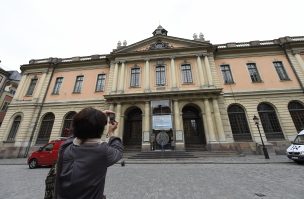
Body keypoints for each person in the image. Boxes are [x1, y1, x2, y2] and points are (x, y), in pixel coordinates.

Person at [54, 107, 123, 199]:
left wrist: (93, 117)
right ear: (101, 130)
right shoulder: (102, 152)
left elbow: (75, 132)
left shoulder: (65, 147)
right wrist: (111, 132)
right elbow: (118, 150)